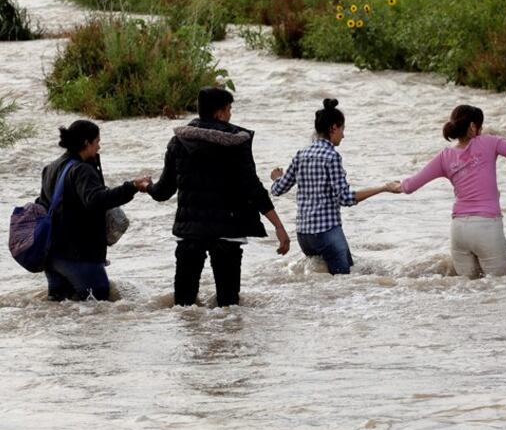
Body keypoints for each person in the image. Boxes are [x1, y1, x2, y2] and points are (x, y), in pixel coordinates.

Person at [147, 87, 291, 307]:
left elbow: (164, 191)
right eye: (229, 109)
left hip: (190, 233)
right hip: (228, 232)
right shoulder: (237, 143)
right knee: (229, 306)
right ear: (219, 113)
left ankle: (185, 343)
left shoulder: (178, 142)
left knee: (183, 307)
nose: (231, 114)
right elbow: (253, 189)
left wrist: (146, 186)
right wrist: (279, 227)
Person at [396, 105, 506, 279]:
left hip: (459, 230)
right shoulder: (489, 141)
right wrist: (502, 139)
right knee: (501, 289)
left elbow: (409, 186)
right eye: (481, 127)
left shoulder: (444, 156)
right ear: (472, 127)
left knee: (466, 292)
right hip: (487, 227)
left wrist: (392, 186)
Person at [269, 99, 400, 275]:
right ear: (333, 128)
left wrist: (277, 178)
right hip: (326, 233)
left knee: (323, 285)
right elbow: (346, 198)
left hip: (304, 236)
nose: (343, 135)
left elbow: (277, 189)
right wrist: (383, 188)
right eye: (342, 129)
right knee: (345, 282)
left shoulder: (301, 154)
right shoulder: (331, 156)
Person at [39, 120, 150, 301]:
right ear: (86, 143)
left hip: (53, 256)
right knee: (98, 308)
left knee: (61, 312)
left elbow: (42, 204)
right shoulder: (82, 170)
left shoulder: (50, 168)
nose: (99, 146)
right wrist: (132, 186)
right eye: (97, 141)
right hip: (80, 256)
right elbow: (97, 200)